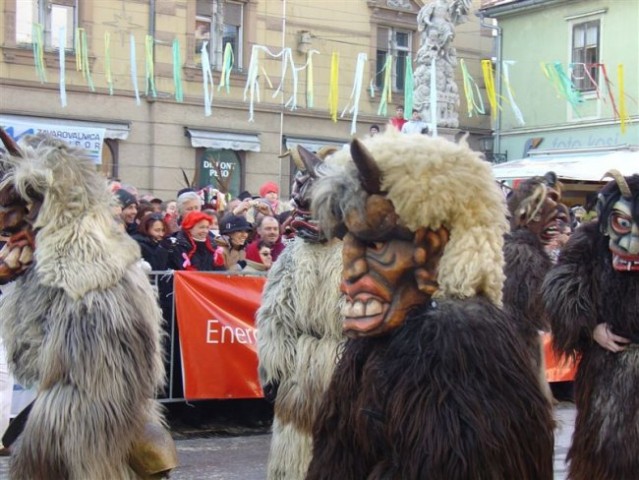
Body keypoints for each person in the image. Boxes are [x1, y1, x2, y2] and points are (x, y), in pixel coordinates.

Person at [305, 130, 553, 479]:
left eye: (376, 247)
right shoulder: (373, 347)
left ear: (436, 250)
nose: (349, 274)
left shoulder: (468, 355)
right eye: (347, 244)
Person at [0, 132, 175, 478]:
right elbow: (35, 353)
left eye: (21, 212)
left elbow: (113, 371)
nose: (9, 224)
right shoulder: (54, 264)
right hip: (63, 410)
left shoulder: (96, 272)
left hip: (92, 418)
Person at [542, 171, 639, 480]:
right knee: (604, 453)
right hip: (606, 372)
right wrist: (590, 327)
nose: (632, 243)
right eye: (622, 224)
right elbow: (561, 288)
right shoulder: (589, 241)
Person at [257, 145, 345, 480]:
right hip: (300, 380)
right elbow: (275, 318)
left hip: (345, 377)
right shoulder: (293, 256)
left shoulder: (360, 255)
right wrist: (273, 371)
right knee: (295, 460)